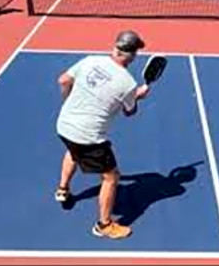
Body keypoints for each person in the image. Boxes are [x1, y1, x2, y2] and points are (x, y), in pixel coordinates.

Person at [54, 30, 151, 240]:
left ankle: (63, 189)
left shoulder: (90, 60)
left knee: (73, 150)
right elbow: (129, 112)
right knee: (111, 177)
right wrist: (138, 96)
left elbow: (63, 80)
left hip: (64, 124)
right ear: (131, 55)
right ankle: (104, 225)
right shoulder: (128, 83)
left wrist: (68, 104)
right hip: (89, 137)